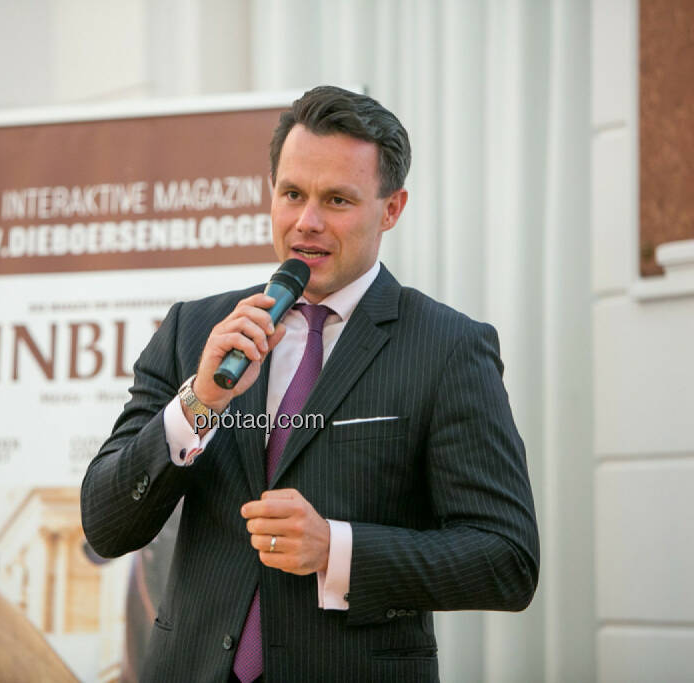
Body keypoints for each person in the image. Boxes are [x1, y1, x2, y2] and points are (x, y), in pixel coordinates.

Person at [81, 85, 539, 683]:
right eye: (292, 194)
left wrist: (336, 549)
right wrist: (201, 401)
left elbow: (506, 560)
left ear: (392, 208)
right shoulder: (194, 330)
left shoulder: (448, 349)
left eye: (338, 200)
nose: (307, 222)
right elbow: (107, 525)